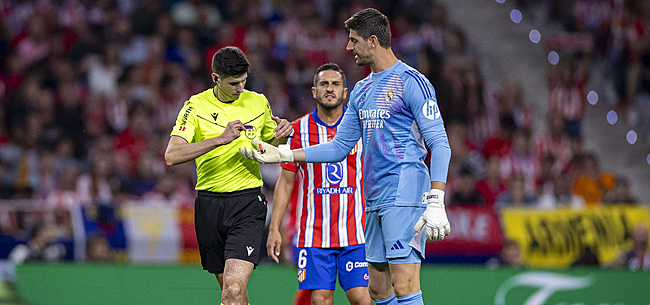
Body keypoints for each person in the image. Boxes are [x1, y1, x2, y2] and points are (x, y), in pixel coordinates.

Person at [241, 9, 451, 305]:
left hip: (405, 194)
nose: (348, 48)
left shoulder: (411, 82)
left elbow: (440, 144)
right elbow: (339, 147)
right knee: (378, 290)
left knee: (403, 283)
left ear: (373, 41)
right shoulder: (363, 90)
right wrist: (283, 153)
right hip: (373, 199)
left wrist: (436, 198)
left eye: (354, 41)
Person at [164, 46, 292, 305]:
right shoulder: (195, 106)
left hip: (247, 203)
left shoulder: (258, 102)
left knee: (233, 290)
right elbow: (172, 155)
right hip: (209, 206)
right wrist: (220, 139)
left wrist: (284, 135)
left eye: (244, 81)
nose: (240, 88)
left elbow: (274, 146)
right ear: (215, 78)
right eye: (234, 83)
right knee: (233, 294)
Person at [267, 63, 372, 305]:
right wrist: (275, 227)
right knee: (321, 300)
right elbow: (285, 182)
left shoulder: (361, 127)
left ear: (345, 92)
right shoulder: (297, 129)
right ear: (314, 91)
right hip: (314, 235)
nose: (330, 89)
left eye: (336, 84)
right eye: (324, 84)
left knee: (361, 299)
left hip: (355, 232)